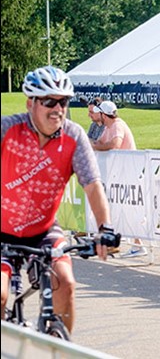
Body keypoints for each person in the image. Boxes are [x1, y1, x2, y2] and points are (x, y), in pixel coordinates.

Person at [1, 66, 118, 334]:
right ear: (30, 103)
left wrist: (105, 229)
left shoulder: (74, 136)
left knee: (66, 282)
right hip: (3, 231)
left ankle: (61, 348)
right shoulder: (8, 130)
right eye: (49, 101)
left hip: (43, 230)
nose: (58, 108)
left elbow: (92, 185)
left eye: (63, 101)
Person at [91, 101, 143, 257]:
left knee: (128, 209)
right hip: (121, 174)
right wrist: (93, 144)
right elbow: (101, 142)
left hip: (128, 173)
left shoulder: (117, 125)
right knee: (117, 208)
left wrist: (94, 146)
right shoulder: (108, 127)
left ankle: (137, 244)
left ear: (103, 114)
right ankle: (127, 243)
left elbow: (115, 144)